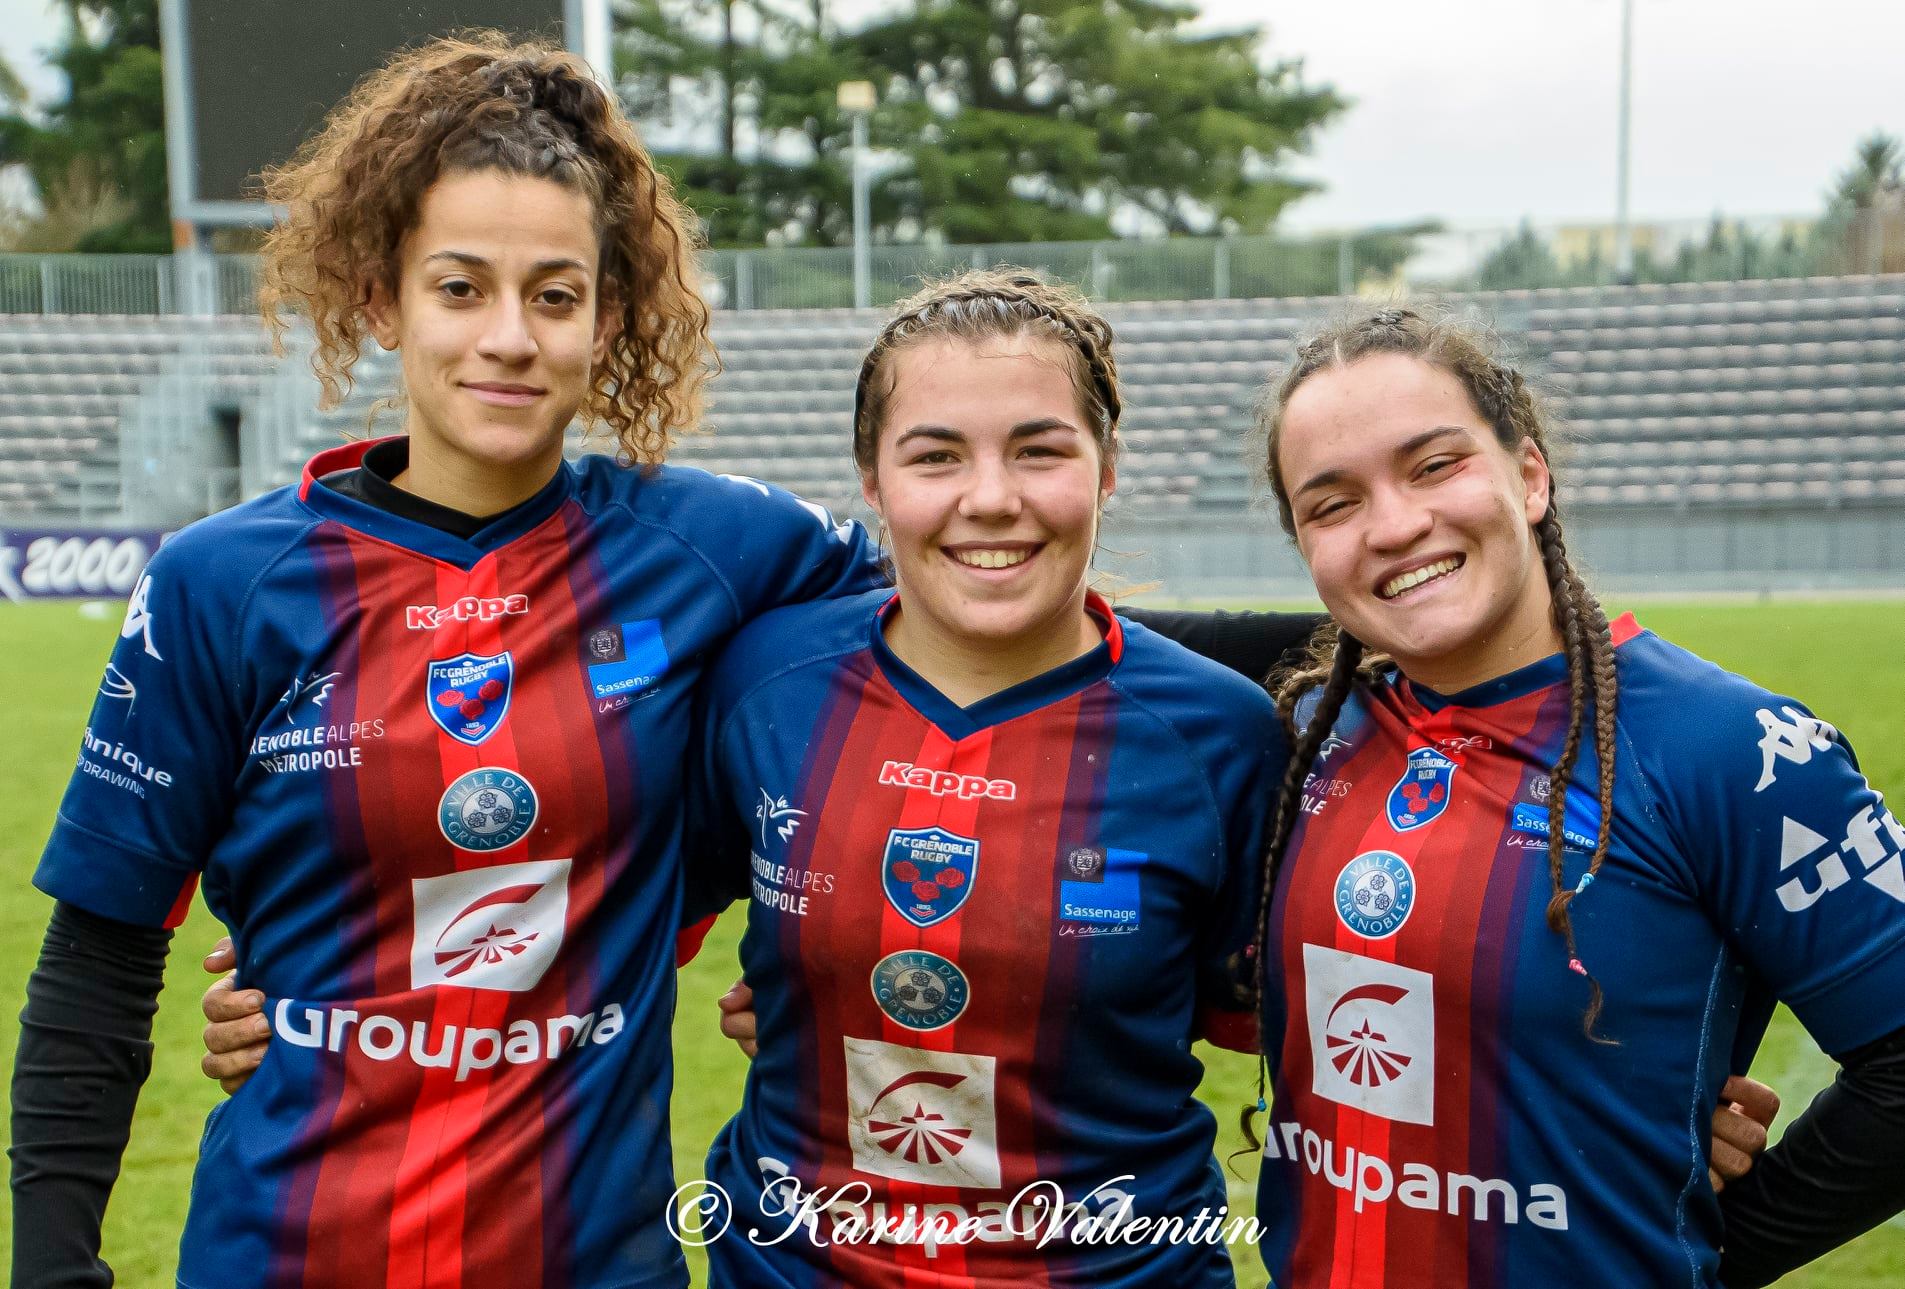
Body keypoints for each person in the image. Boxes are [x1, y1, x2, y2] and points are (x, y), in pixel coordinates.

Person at [10, 34, 884, 1289]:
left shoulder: (715, 549)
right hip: (285, 1254)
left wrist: (801, 942)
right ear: (382, 297)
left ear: (612, 314)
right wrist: (51, 1267)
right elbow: (99, 950)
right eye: (461, 286)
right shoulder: (222, 583)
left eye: (556, 293)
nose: (511, 338)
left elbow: (947, 666)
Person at [1244, 307, 1905, 1287]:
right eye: (1331, 504)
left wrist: (1698, 1249)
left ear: (1529, 473)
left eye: (1433, 465)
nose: (1392, 523)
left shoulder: (1727, 747)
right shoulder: (1307, 735)